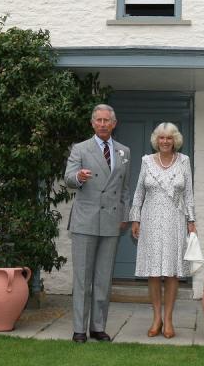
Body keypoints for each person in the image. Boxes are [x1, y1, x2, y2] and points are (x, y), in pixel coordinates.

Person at [64, 104, 132, 343]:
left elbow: (124, 190)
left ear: (114, 124)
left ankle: (98, 327)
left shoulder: (124, 151)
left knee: (104, 277)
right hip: (86, 221)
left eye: (107, 120)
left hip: (112, 222)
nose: (103, 124)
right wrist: (78, 178)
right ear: (92, 123)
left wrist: (125, 215)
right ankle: (79, 329)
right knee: (83, 278)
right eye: (99, 120)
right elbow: (68, 179)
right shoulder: (80, 149)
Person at [128, 122, 197, 339]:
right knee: (154, 273)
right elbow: (139, 192)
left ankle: (168, 320)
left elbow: (189, 194)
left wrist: (191, 221)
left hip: (175, 221)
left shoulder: (184, 161)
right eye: (161, 138)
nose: (165, 141)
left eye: (169, 138)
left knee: (172, 272)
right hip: (150, 220)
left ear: (175, 140)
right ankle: (156, 318)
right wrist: (135, 219)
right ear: (156, 140)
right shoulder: (146, 161)